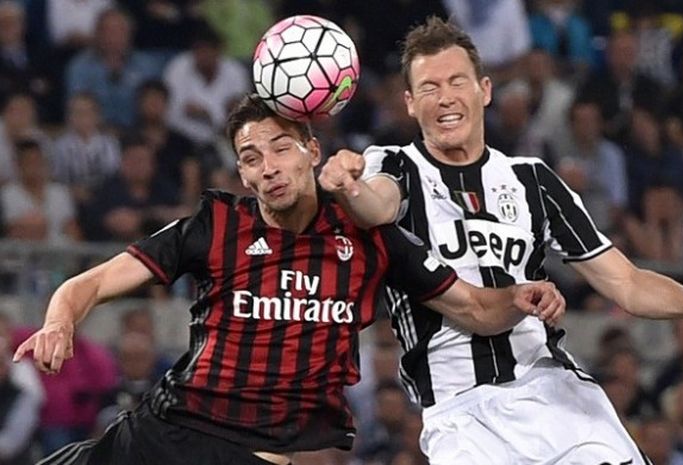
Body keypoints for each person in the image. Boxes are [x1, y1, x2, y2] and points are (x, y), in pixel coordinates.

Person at [13, 93, 564, 465]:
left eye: (280, 148)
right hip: (162, 433)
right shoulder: (216, 225)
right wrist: (59, 324)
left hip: (257, 454)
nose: (268, 167)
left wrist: (518, 296)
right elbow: (88, 284)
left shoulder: (367, 234)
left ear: (312, 150)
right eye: (251, 157)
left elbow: (473, 307)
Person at [319, 16, 683, 465]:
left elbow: (630, 285)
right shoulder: (396, 166)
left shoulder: (532, 180)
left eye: (457, 81)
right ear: (409, 103)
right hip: (461, 415)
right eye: (429, 87)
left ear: (485, 89)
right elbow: (375, 205)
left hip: (555, 396)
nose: (445, 98)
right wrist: (349, 186)